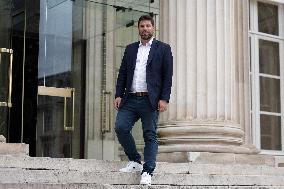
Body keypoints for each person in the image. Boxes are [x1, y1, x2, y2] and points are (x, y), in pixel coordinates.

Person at [114, 15, 173, 186]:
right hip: (130, 98)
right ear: (138, 29)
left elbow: (167, 77)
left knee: (150, 135)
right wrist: (118, 94)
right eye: (142, 26)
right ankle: (134, 161)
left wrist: (164, 98)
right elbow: (123, 73)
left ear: (153, 28)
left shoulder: (163, 48)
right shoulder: (131, 49)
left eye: (148, 25)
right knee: (121, 127)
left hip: (151, 100)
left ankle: (148, 171)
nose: (145, 28)